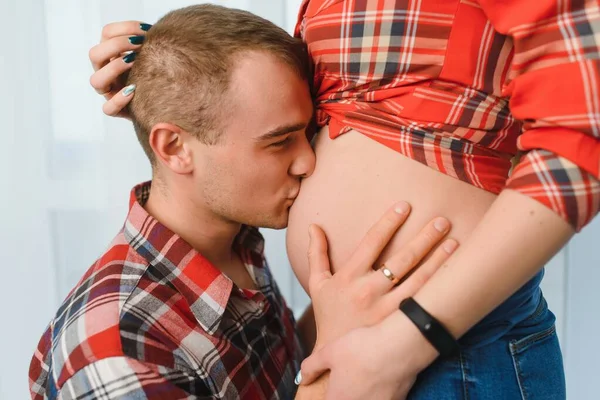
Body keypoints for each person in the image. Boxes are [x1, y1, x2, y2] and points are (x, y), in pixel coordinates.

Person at [92, 0, 600, 399]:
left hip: (453, 349)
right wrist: (178, 75)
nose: (306, 161)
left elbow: (585, 130)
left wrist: (406, 341)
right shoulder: (122, 332)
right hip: (358, 345)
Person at [29, 5, 457, 399]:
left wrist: (338, 315)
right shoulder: (117, 350)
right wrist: (334, 346)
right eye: (280, 142)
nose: (308, 162)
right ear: (174, 147)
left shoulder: (234, 243)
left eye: (308, 133)